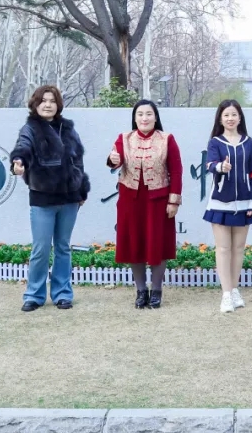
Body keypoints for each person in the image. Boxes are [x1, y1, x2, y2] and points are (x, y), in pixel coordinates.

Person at [10, 85, 90, 312]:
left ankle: (63, 294)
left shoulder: (69, 129)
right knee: (41, 249)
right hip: (42, 198)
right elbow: (22, 147)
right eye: (43, 101)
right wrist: (18, 161)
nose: (47, 105)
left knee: (63, 247)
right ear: (35, 104)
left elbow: (78, 160)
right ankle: (34, 295)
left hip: (69, 199)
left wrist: (81, 190)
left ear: (58, 105)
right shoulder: (30, 129)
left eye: (52, 101)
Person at [107, 100, 183, 309]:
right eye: (140, 114)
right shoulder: (125, 138)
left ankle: (156, 290)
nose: (144, 118)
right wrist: (113, 159)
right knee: (134, 243)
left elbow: (176, 171)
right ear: (135, 117)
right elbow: (115, 160)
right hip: (130, 200)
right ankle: (141, 290)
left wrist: (174, 200)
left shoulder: (167, 139)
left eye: (149, 114)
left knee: (158, 243)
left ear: (155, 117)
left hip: (158, 200)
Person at [203, 99, 252, 313]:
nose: (230, 118)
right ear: (220, 118)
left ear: (240, 118)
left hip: (244, 203)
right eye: (226, 115)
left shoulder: (249, 143)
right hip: (220, 203)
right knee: (223, 248)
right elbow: (210, 165)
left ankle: (235, 290)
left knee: (238, 249)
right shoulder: (215, 142)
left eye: (234, 114)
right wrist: (221, 167)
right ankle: (226, 294)